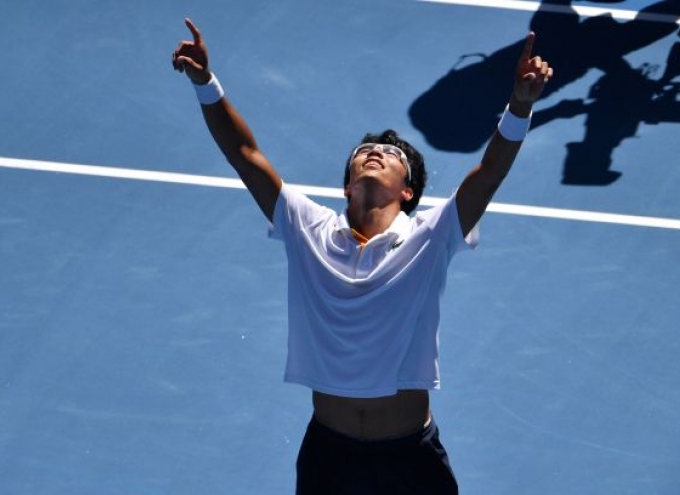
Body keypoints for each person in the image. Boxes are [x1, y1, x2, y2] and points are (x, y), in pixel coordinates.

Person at [172, 18, 553, 495]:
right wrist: (207, 83)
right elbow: (244, 153)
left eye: (389, 155)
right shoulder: (305, 225)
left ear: (409, 189)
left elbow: (490, 170)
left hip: (410, 456)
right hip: (330, 456)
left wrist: (520, 106)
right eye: (364, 151)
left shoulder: (433, 234)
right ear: (347, 184)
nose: (374, 153)